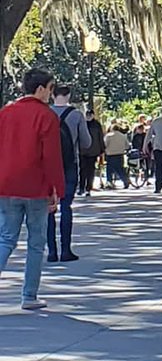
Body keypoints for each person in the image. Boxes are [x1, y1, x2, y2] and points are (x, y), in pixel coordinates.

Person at [0, 69, 64, 309]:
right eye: (49, 88)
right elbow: (51, 157)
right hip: (35, 186)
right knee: (36, 243)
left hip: (6, 184)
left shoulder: (5, 113)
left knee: (6, 238)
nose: (50, 93)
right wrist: (56, 188)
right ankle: (29, 296)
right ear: (40, 89)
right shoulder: (46, 116)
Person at [49, 84, 89, 262]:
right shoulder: (76, 115)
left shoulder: (45, 113)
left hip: (47, 166)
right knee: (66, 207)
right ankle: (66, 250)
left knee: (48, 209)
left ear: (52, 94)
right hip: (69, 164)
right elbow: (86, 142)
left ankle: (51, 251)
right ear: (69, 96)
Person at [79, 109, 105, 196]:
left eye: (90, 114)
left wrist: (102, 149)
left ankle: (88, 188)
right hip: (83, 150)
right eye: (87, 114)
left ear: (93, 115)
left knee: (90, 170)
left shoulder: (97, 125)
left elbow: (100, 137)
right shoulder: (82, 123)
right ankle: (82, 187)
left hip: (93, 151)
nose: (88, 116)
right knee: (82, 170)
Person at [103, 121, 130, 189]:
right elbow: (127, 146)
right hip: (120, 154)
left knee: (109, 169)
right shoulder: (123, 136)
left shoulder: (108, 136)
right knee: (120, 169)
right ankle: (125, 180)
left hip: (110, 155)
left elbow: (104, 145)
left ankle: (109, 182)